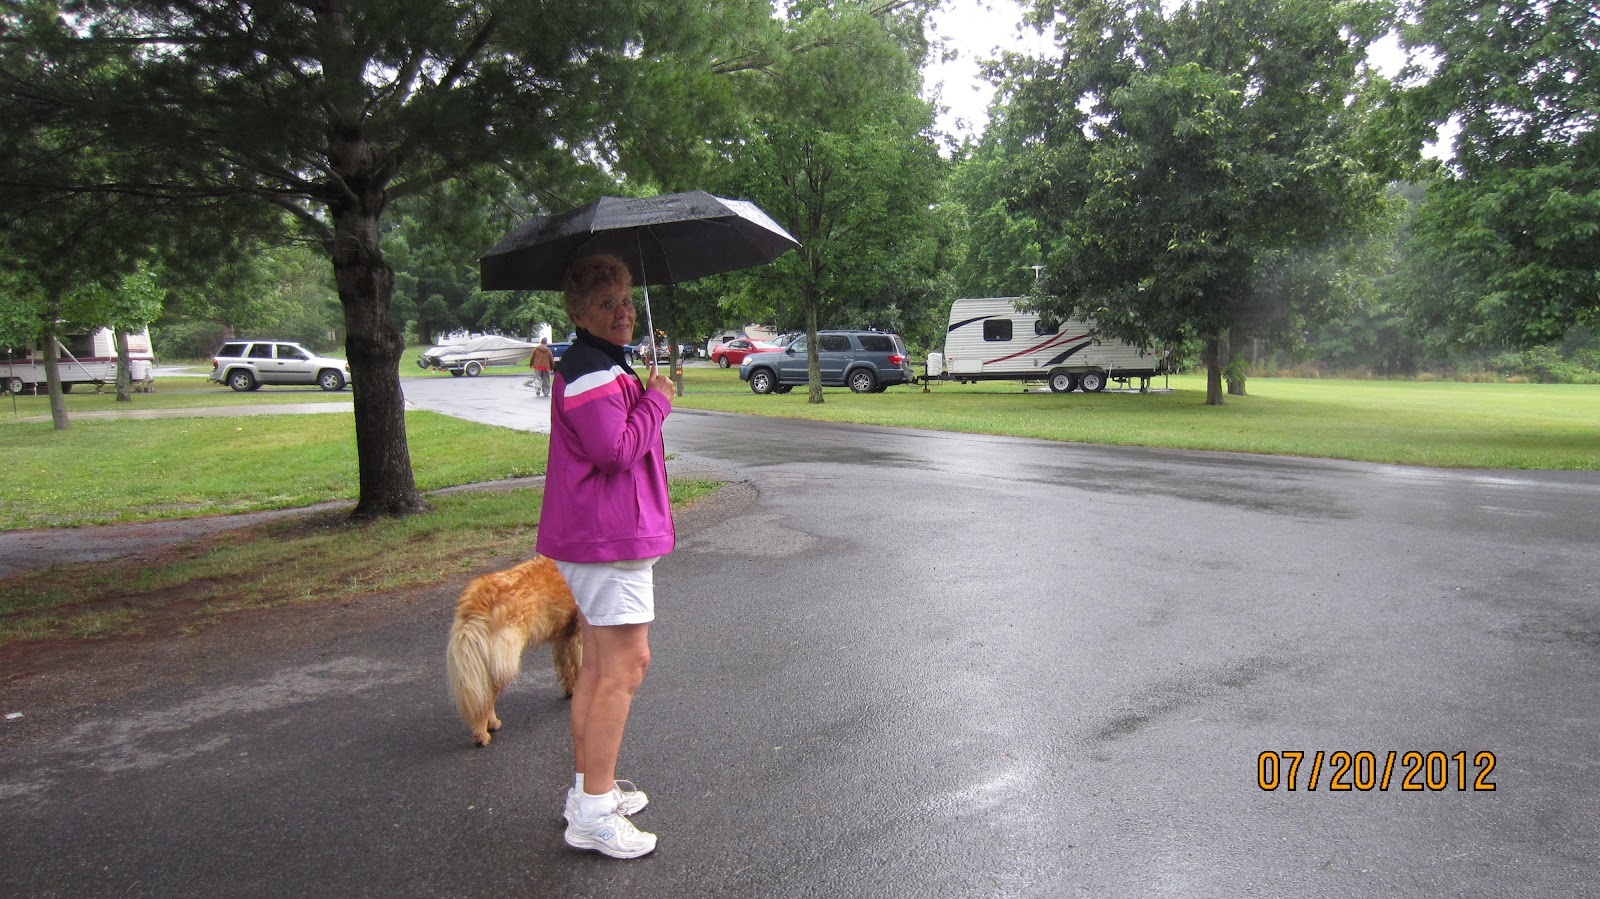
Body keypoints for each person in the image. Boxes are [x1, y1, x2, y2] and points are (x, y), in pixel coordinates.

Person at [537, 254, 674, 860]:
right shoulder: (591, 371)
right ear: (579, 314)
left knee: (597, 669)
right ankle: (594, 813)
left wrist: (643, 392)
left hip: (602, 534)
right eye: (606, 304)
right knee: (625, 666)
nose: (622, 312)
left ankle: (589, 792)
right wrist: (658, 401)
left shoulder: (600, 364)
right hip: (607, 539)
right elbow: (614, 451)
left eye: (624, 300)